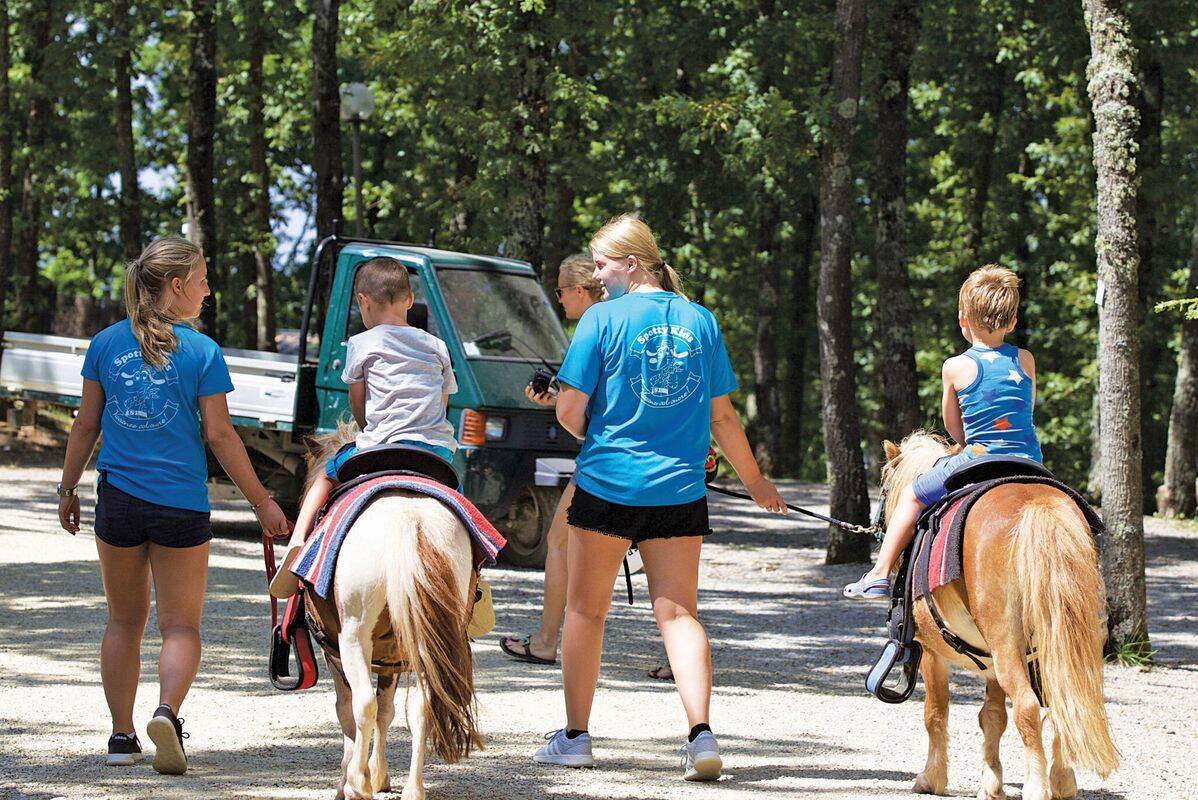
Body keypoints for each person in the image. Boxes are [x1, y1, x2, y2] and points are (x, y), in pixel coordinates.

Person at [532, 213, 786, 781]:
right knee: (678, 614)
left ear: (633, 263)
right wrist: (756, 483)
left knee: (584, 610)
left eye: (601, 264)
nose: (597, 277)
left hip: (606, 485)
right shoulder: (701, 320)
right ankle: (700, 737)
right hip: (680, 489)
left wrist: (597, 433)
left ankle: (575, 738)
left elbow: (571, 410)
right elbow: (722, 417)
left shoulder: (599, 320)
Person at [57, 237, 290, 774]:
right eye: (204, 280)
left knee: (122, 622)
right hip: (181, 505)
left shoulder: (105, 344)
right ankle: (167, 712)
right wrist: (261, 503)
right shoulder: (203, 352)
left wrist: (68, 489)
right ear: (178, 286)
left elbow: (85, 425)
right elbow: (221, 435)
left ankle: (120, 737)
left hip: (117, 501)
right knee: (180, 626)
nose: (209, 290)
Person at [842, 265, 1042, 600]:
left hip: (980, 458)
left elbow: (952, 424)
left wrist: (967, 443)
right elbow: (1027, 411)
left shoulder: (956, 366)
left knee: (913, 495)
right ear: (1012, 322)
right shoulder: (1025, 359)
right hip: (1029, 460)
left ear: (963, 318)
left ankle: (879, 573)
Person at [269, 256, 458, 599]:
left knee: (326, 475)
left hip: (381, 446)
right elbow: (443, 402)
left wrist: (368, 429)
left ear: (362, 301)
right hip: (435, 451)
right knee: (454, 504)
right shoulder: (437, 346)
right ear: (409, 300)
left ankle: (299, 540)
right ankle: (474, 579)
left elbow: (358, 402)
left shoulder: (362, 343)